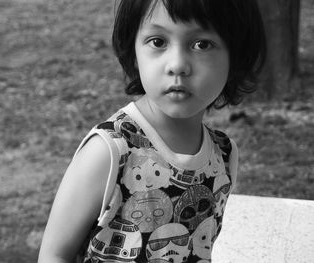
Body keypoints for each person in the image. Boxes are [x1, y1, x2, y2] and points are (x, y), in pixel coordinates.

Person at [38, 0, 266, 262]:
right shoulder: (111, 151)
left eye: (202, 44)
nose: (177, 65)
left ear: (235, 57)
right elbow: (54, 255)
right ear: (134, 50)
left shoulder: (223, 156)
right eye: (158, 42)